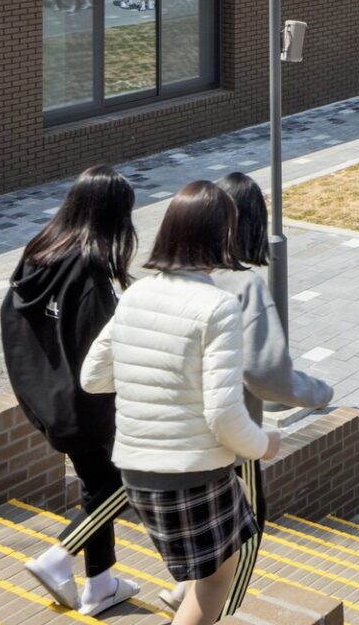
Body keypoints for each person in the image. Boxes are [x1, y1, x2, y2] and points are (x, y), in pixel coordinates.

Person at [82, 181, 280, 625]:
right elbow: (224, 414)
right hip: (193, 473)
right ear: (222, 236)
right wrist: (264, 443)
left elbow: (93, 378)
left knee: (209, 573)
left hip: (134, 468)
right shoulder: (218, 307)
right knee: (214, 579)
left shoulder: (135, 294)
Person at [193, 173, 334, 618]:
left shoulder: (179, 273)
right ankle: (220, 613)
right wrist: (318, 392)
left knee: (209, 535)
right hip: (232, 438)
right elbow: (266, 374)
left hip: (178, 432)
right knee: (246, 534)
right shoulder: (244, 284)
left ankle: (185, 597)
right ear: (253, 223)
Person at [7, 166, 141, 616]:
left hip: (46, 398)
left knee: (97, 485)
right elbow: (104, 351)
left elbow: (15, 322)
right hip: (85, 406)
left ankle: (100, 585)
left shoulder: (39, 251)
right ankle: (58, 556)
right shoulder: (88, 270)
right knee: (127, 481)